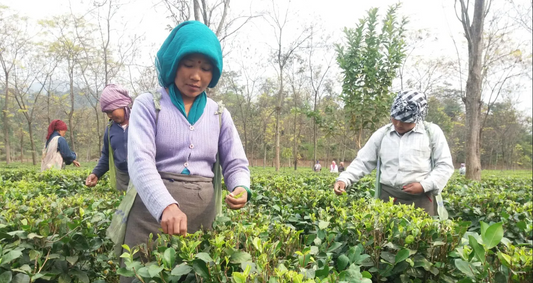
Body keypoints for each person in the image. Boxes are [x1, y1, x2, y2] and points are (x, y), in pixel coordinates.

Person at [121, 21, 250, 280]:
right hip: (151, 217)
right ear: (173, 64)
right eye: (189, 64)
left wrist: (241, 187)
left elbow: (235, 162)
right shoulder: (149, 105)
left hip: (203, 219)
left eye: (206, 68)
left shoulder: (219, 114)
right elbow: (140, 162)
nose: (196, 75)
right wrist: (165, 206)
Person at [333, 90, 454, 216]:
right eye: (395, 118)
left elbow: (445, 165)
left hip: (421, 199)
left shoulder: (432, 133)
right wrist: (344, 179)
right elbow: (363, 161)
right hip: (388, 198)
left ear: (418, 118)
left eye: (405, 121)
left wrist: (424, 185)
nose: (398, 123)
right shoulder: (382, 134)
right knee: (385, 234)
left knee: (421, 235)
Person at [85, 84, 132, 192]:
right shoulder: (110, 129)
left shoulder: (140, 122)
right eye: (107, 113)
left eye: (111, 111)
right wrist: (96, 173)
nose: (109, 116)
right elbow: (106, 155)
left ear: (122, 104)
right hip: (122, 180)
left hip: (142, 177)